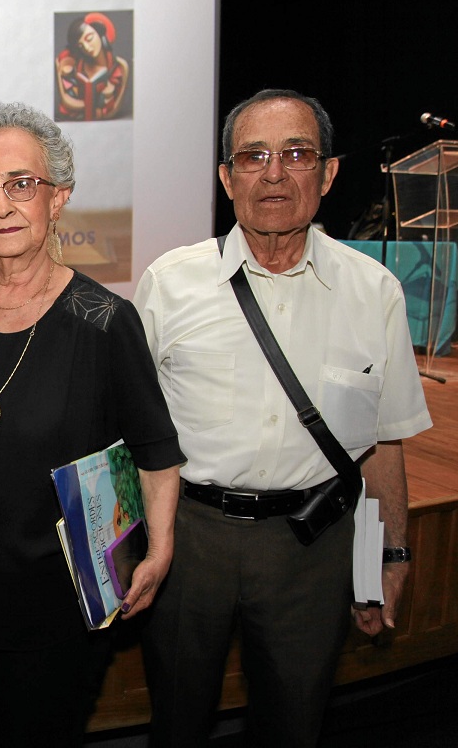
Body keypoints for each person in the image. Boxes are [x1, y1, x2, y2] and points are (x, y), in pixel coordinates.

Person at [133, 89, 433, 746]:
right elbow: (131, 434)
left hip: (312, 547)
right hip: (190, 541)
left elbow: (378, 447)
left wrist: (388, 557)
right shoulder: (169, 282)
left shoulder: (373, 291)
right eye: (253, 156)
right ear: (226, 177)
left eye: (296, 154)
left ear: (327, 173)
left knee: (295, 725)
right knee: (177, 723)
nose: (273, 173)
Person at [0, 101, 183, 746]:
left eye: (20, 185)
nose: (1, 205)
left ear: (57, 199)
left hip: (54, 613)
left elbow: (155, 450)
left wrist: (161, 548)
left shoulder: (104, 320)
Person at [55, 12, 129, 121]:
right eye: (80, 45)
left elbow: (113, 110)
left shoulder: (120, 67)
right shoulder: (73, 68)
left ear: (100, 34)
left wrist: (87, 107)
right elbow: (66, 102)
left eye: (89, 39)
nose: (86, 47)